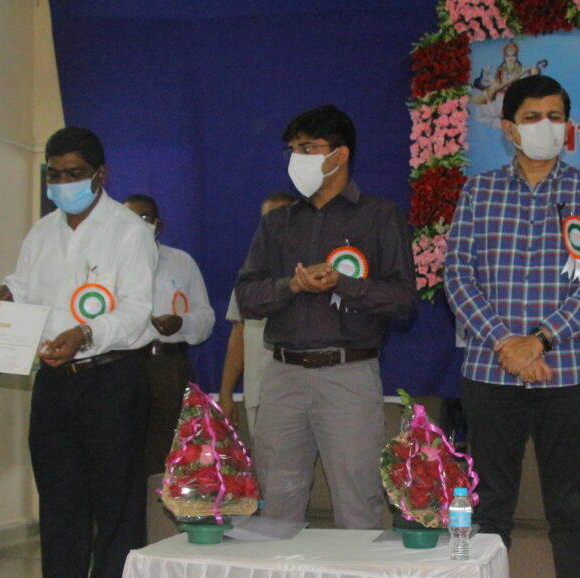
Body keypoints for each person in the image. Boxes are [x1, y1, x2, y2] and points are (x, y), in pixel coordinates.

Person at [444, 75, 580, 578]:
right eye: (533, 116)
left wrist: (540, 340)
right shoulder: (480, 191)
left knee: (570, 509)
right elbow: (458, 275)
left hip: (569, 372)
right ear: (509, 128)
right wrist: (506, 344)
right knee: (490, 508)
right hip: (490, 372)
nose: (546, 125)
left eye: (556, 115)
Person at [0, 127, 156, 578]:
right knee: (59, 505)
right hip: (54, 382)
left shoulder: (129, 232)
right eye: (54, 174)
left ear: (101, 175)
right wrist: (5, 295)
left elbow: (137, 311)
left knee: (116, 507)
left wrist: (85, 333)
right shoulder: (42, 232)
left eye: (73, 173)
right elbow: (27, 288)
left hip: (112, 379)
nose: (62, 183)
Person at [234, 105, 416, 529]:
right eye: (292, 150)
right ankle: (279, 576)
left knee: (358, 505)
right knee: (275, 505)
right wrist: (292, 286)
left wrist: (344, 283)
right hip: (283, 376)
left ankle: (358, 577)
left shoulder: (380, 216)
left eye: (307, 148)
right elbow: (247, 298)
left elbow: (404, 301)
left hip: (348, 375)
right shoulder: (277, 223)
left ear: (340, 154)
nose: (296, 158)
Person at [122, 194, 214, 475]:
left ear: (158, 224)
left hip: (168, 366)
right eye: (129, 219)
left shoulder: (180, 262)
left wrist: (182, 323)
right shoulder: (106, 265)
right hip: (123, 364)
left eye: (144, 218)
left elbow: (206, 319)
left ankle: (162, 501)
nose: (137, 225)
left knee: (169, 449)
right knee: (124, 446)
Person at [219, 191, 297, 432]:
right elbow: (238, 335)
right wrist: (226, 393)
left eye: (282, 218)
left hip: (303, 395)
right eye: (268, 220)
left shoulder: (314, 274)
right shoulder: (250, 277)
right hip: (260, 393)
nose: (274, 226)